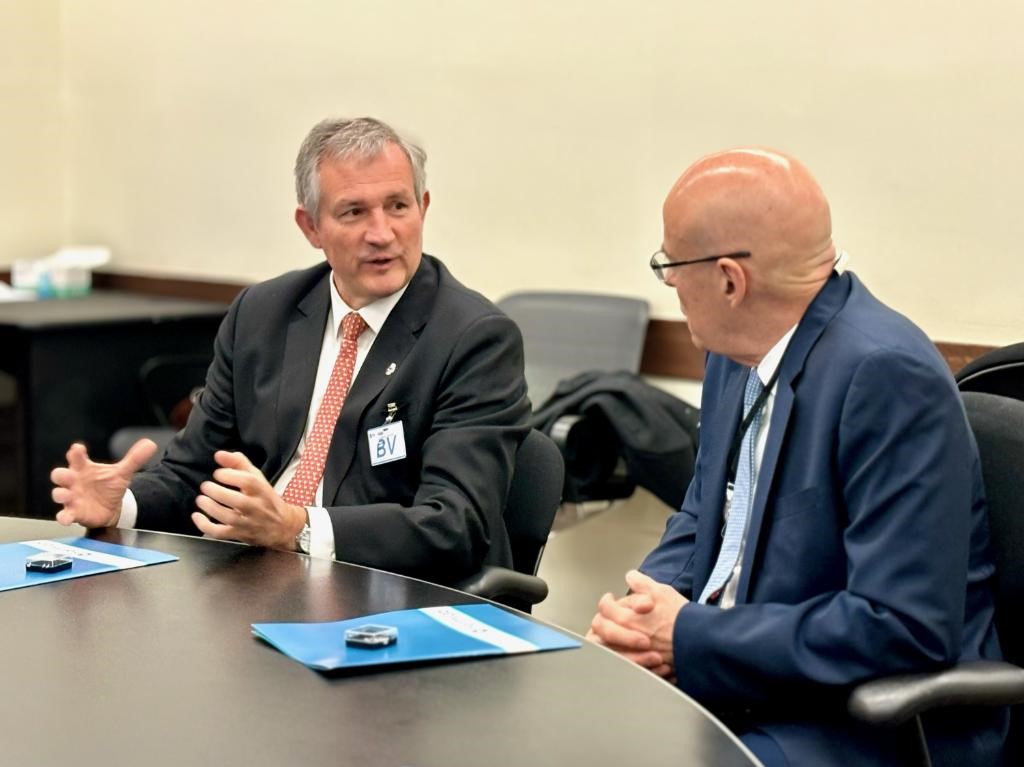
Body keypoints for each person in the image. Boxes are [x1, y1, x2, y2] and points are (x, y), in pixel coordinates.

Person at [586, 148, 1005, 766]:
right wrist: (642, 610)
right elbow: (706, 513)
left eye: (670, 263)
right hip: (744, 685)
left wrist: (687, 635)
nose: (670, 280)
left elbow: (902, 629)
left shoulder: (886, 376)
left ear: (731, 280)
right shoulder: (735, 348)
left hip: (856, 724)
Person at [50, 116, 531, 586]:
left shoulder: (474, 337)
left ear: (423, 207)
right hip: (253, 581)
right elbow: (193, 472)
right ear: (311, 227)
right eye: (354, 212)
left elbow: (455, 525)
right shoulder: (262, 313)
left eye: (398, 206)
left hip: (386, 594)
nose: (382, 233)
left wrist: (296, 528)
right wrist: (123, 505)